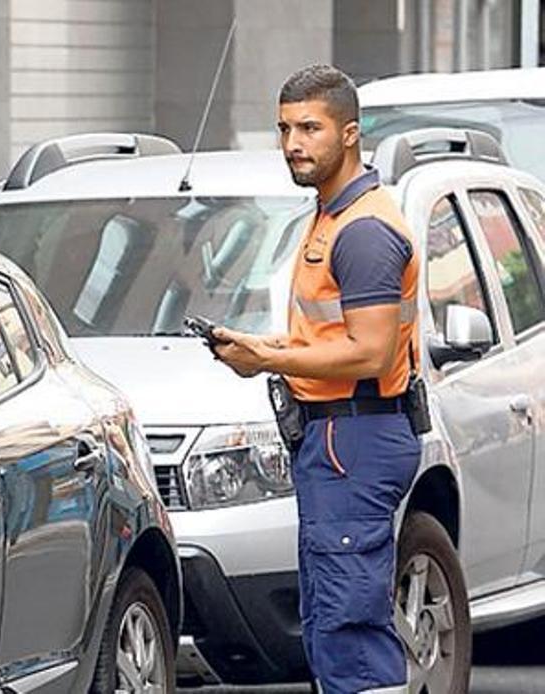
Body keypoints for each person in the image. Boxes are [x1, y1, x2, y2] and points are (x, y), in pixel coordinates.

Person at [212, 64, 421, 694]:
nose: (293, 143)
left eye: (310, 128)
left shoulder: (362, 230)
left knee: (349, 626)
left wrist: (268, 361)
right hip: (339, 438)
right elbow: (333, 337)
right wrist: (263, 345)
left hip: (354, 437)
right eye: (283, 129)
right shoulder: (331, 216)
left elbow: (369, 353)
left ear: (350, 134)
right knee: (332, 621)